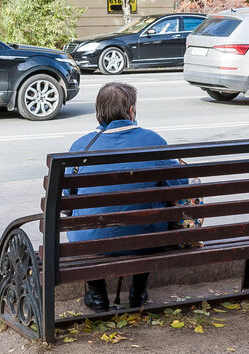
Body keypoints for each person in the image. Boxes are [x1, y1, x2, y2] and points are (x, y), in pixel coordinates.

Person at [66, 82, 187, 312]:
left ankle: (97, 294)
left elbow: (67, 200)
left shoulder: (80, 147)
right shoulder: (154, 142)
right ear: (131, 111)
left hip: (91, 240)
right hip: (146, 238)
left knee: (87, 221)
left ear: (99, 112)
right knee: (150, 213)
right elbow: (179, 187)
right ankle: (138, 291)